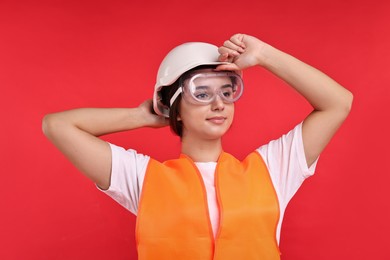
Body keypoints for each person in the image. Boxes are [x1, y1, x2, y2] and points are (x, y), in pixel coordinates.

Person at [42, 33, 353, 259]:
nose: (219, 104)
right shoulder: (141, 177)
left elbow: (338, 103)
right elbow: (58, 126)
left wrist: (264, 54)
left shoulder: (273, 170)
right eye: (201, 94)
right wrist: (141, 115)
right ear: (175, 106)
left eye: (227, 93)